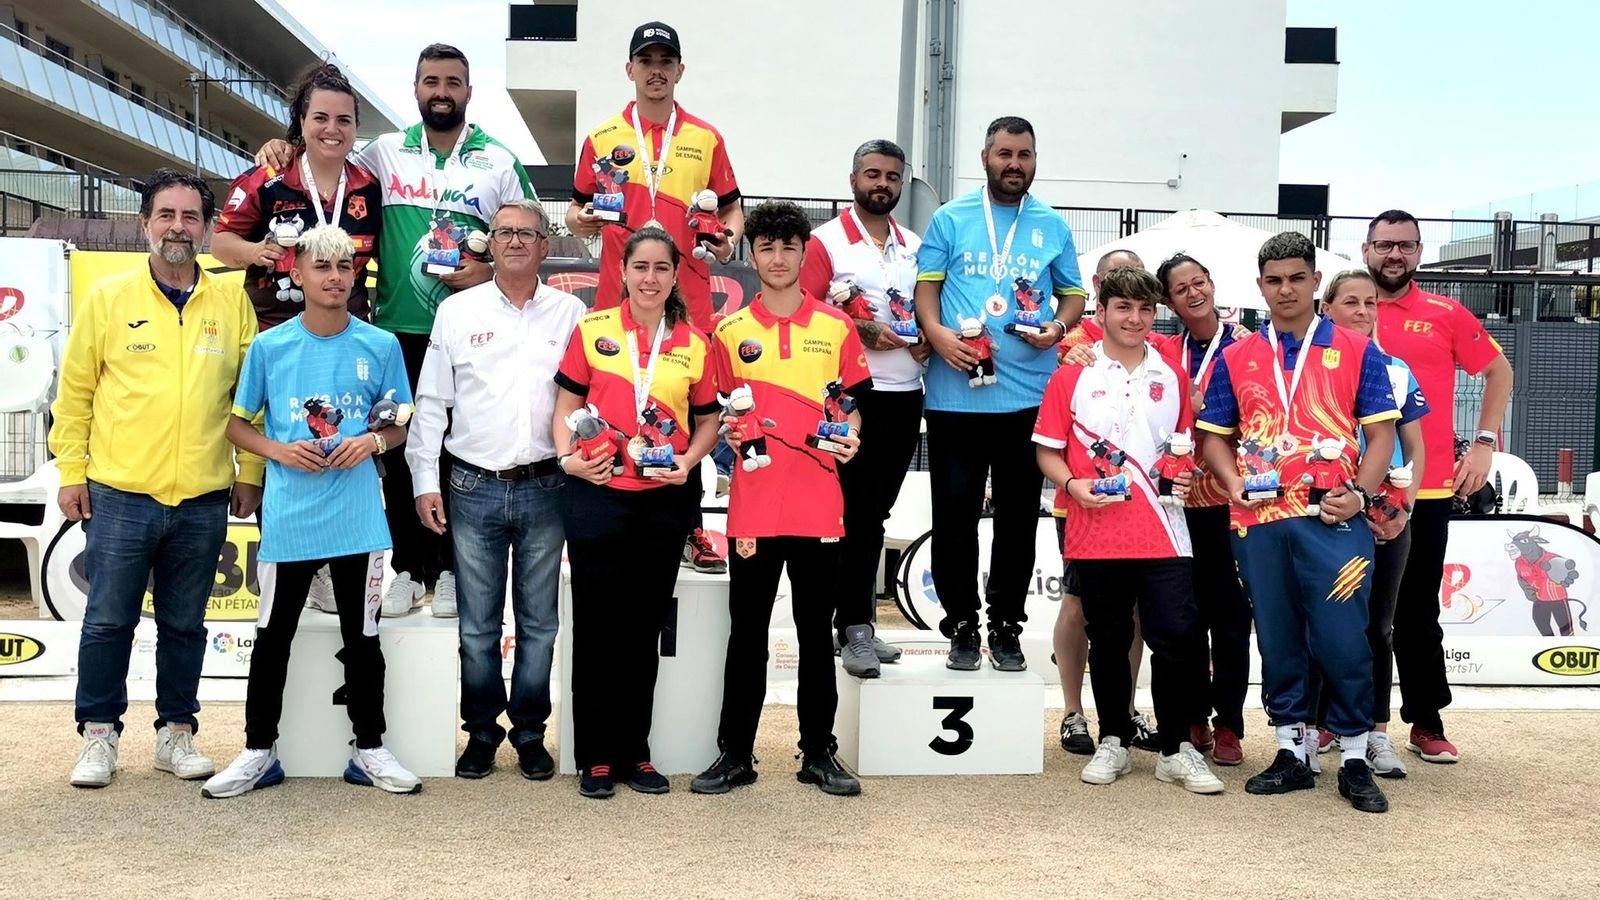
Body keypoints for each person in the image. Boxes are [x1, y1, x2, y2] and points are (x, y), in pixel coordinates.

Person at [258, 44, 538, 619]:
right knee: (407, 449)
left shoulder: (499, 161)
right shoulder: (384, 153)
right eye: (431, 81)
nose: (442, 90)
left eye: (453, 82)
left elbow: (530, 236)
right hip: (396, 333)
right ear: (415, 90)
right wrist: (284, 144)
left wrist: (486, 271)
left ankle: (459, 571)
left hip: (472, 333)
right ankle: (411, 568)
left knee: (464, 456)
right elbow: (324, 152)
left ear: (468, 91)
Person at [50, 169, 263, 788]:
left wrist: (248, 473)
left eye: (190, 217)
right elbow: (77, 394)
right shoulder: (109, 299)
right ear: (146, 223)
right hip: (119, 491)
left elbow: (249, 400)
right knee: (109, 620)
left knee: (185, 624)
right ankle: (98, 735)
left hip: (202, 495)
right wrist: (72, 471)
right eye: (165, 215)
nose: (178, 227)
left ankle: (177, 732)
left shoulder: (230, 301)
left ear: (206, 227)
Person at [202, 225, 419, 798]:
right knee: (272, 636)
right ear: (296, 274)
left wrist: (371, 443)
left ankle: (369, 748)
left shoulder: (381, 345)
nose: (334, 277)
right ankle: (256, 751)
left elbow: (399, 424)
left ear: (355, 275)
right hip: (290, 519)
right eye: (322, 267)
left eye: (344, 267)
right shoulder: (271, 347)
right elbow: (235, 423)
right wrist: (279, 450)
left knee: (364, 638)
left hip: (358, 519)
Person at [1197, 232, 1400, 814]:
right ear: (1260, 287)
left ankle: (1356, 756)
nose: (1285, 289)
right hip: (1258, 518)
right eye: (1273, 280)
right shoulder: (1238, 356)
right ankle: (1292, 751)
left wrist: (1361, 492)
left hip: (1332, 516)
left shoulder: (1359, 351)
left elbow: (1382, 433)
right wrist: (1231, 481)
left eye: (1296, 278)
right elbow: (1214, 436)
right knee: (1279, 636)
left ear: (1315, 282)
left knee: (1342, 639)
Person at [690, 201, 870, 797]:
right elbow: (715, 414)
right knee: (747, 635)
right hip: (754, 507)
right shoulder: (729, 329)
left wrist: (853, 438)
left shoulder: (837, 327)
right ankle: (734, 754)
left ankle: (818, 753)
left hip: (820, 504)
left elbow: (853, 406)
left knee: (817, 635)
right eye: (765, 246)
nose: (776, 257)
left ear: (802, 253)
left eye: (788, 246)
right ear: (753, 253)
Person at [408, 200, 585, 781]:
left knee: (540, 625)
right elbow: (433, 404)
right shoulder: (457, 312)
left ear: (543, 246)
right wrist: (423, 481)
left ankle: (530, 734)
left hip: (546, 486)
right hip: (472, 485)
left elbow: (585, 402)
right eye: (503, 232)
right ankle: (481, 734)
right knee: (476, 627)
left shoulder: (571, 314)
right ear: (490, 242)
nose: (513, 241)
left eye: (525, 234)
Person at [1034, 266, 1222, 793]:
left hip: (1166, 531)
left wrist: (1186, 478)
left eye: (1144, 310)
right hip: (1096, 530)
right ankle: (1113, 739)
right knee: (1110, 640)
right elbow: (1046, 450)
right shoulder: (1072, 373)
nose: (1135, 319)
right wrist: (1071, 485)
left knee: (1178, 638)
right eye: (1123, 308)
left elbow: (1184, 449)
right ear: (1102, 314)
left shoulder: (1172, 375)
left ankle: (1175, 748)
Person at [566, 20, 742, 576]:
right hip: (620, 296)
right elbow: (574, 211)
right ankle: (609, 506)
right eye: (647, 60)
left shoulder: (707, 138)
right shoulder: (601, 136)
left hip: (686, 297)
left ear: (680, 71)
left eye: (666, 60)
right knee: (619, 401)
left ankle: (689, 528)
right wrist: (585, 220)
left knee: (685, 408)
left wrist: (727, 237)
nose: (656, 70)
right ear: (631, 70)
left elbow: (732, 209)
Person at [553, 227, 721, 799]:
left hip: (662, 498)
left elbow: (706, 422)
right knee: (597, 627)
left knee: (643, 628)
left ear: (676, 276)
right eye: (640, 267)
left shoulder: (695, 343)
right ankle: (595, 757)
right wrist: (568, 459)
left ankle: (635, 753)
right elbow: (566, 407)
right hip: (597, 493)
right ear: (622, 272)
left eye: (661, 269)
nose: (650, 278)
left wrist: (689, 464)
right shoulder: (592, 328)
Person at [914, 116, 1086, 672]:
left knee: (1017, 519)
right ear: (985, 156)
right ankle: (962, 625)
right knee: (955, 515)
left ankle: (1006, 626)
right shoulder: (950, 218)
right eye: (1005, 153)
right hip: (954, 395)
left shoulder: (1052, 225)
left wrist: (1057, 329)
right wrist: (938, 336)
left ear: (1036, 160)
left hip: (1026, 398)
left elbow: (1073, 296)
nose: (1015, 164)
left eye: (1025, 155)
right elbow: (926, 294)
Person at [214, 61, 383, 615]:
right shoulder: (268, 177)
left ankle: (335, 569)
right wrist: (259, 252)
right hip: (276, 332)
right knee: (281, 447)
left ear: (356, 126)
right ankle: (287, 564)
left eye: (343, 120)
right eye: (319, 118)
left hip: (340, 336)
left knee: (337, 440)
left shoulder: (367, 186)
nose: (331, 129)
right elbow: (220, 242)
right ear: (300, 123)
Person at [1367, 209, 1513, 764]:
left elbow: (1500, 372)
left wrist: (1482, 441)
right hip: (1348, 488)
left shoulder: (1445, 313)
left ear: (1419, 252)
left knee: (1416, 611)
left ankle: (1426, 721)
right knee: (1347, 612)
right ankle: (1338, 720)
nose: (1394, 255)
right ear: (1366, 249)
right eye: (1385, 245)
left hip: (1422, 491)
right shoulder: (1340, 310)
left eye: (1404, 245)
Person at [797, 138, 925, 677]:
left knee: (874, 514)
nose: (883, 185)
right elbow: (806, 311)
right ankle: (851, 627)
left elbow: (928, 309)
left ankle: (856, 626)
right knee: (849, 513)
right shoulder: (825, 242)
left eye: (892, 177)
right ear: (853, 180)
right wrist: (867, 330)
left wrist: (926, 339)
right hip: (848, 396)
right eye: (873, 174)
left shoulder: (915, 244)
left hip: (905, 393)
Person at [1314, 269, 1429, 779]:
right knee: (1320, 623)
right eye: (1350, 302)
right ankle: (1320, 725)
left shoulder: (1397, 369)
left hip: (1383, 517)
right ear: (1327, 309)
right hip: (1327, 511)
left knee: (1376, 628)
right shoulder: (1308, 367)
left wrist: (1402, 508)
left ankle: (1376, 732)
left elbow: (1417, 448)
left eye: (1371, 304)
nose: (1363, 311)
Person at [1052, 250, 1160, 755]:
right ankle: (1073, 712)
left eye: (1142, 301)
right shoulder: (1078, 347)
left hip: (1144, 508)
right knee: (1077, 605)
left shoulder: (1158, 347)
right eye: (1120, 298)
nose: (1133, 315)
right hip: (1082, 502)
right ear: (1101, 297)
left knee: (1134, 613)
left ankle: (1124, 709)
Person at [1151, 252, 1253, 767]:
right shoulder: (1163, 349)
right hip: (1173, 503)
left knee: (1230, 616)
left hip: (1228, 503)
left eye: (1200, 282)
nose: (1193, 293)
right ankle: (1192, 714)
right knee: (1181, 617)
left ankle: (1230, 724)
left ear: (1212, 284)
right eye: (1180, 288)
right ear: (1168, 300)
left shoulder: (1246, 346)